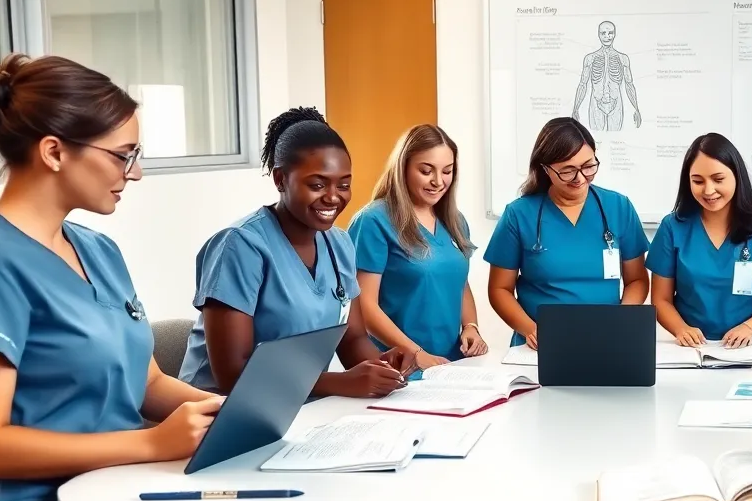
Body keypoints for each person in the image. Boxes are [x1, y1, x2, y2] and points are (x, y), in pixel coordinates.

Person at [0, 53, 336, 501]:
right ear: (54, 151)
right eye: (123, 155)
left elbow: (144, 380)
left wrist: (231, 410)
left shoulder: (98, 249)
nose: (137, 173)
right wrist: (150, 446)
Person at [178, 107, 416, 397]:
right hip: (221, 413)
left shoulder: (339, 244)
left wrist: (383, 366)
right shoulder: (240, 246)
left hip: (302, 407)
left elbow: (352, 339)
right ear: (280, 179)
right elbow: (232, 374)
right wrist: (339, 383)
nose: (332, 197)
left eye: (344, 185)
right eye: (317, 184)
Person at [483, 117, 649, 348]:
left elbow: (638, 280)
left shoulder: (618, 207)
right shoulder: (519, 215)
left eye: (589, 166)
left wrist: (619, 321)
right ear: (545, 169)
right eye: (568, 170)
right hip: (541, 345)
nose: (580, 178)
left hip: (606, 339)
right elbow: (499, 289)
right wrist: (531, 330)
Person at [349, 124, 486, 372]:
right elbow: (364, 308)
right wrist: (415, 354)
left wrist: (471, 327)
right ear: (403, 168)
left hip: (450, 365)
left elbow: (460, 282)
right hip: (398, 366)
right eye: (426, 171)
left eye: (447, 171)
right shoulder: (374, 221)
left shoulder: (454, 221)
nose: (438, 181)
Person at [647, 133, 752, 347]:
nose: (708, 190)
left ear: (737, 175)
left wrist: (748, 328)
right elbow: (660, 300)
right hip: (690, 348)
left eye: (718, 179)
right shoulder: (672, 227)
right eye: (698, 181)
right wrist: (682, 329)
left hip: (747, 347)